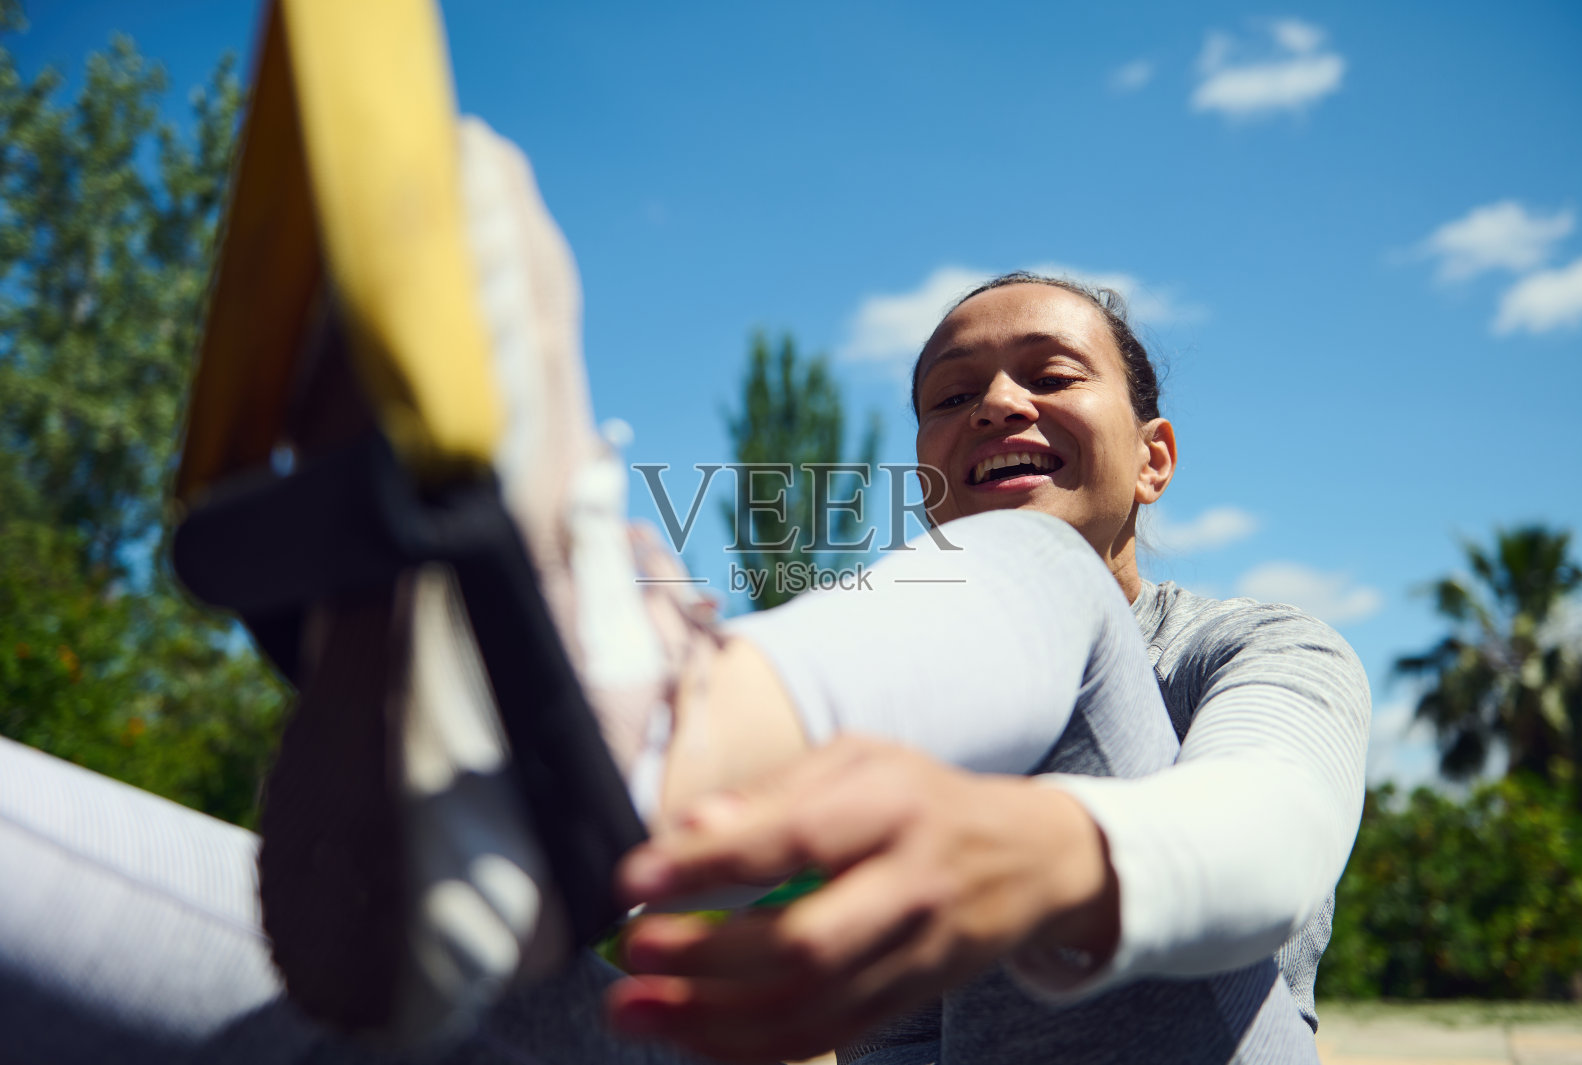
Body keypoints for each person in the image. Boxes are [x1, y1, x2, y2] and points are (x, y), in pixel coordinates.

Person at [0, 117, 1368, 1065]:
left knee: (1048, 579)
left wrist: (1048, 853)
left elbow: (1274, 835)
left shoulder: (1256, 645)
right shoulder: (883, 685)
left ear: (1156, 457)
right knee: (441, 983)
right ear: (927, 473)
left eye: (1050, 375)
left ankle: (626, 719)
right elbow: (678, 956)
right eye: (952, 396)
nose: (996, 403)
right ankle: (558, 766)